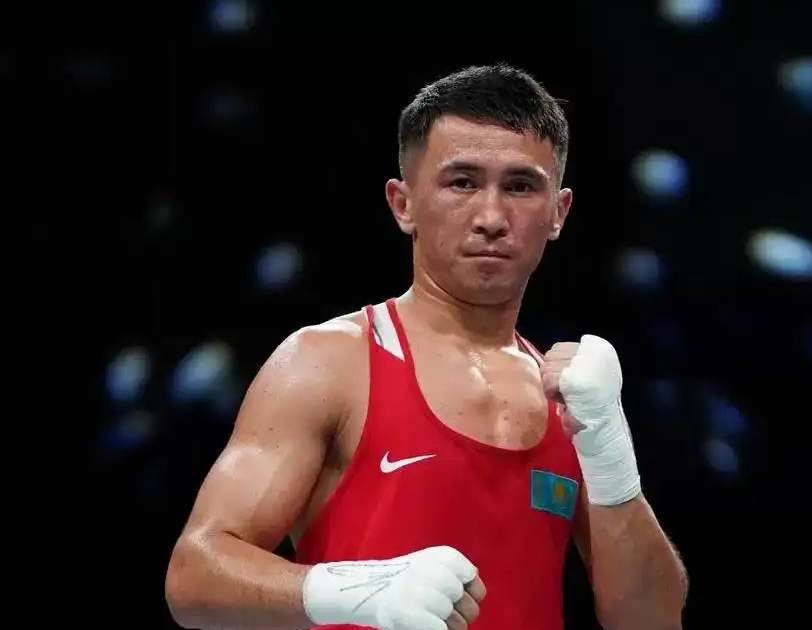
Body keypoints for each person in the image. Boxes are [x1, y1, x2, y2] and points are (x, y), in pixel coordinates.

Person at [164, 64, 688, 630]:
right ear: (403, 203)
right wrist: (356, 588)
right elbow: (194, 575)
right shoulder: (329, 363)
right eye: (462, 182)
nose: (492, 217)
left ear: (558, 213)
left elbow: (651, 620)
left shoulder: (572, 399)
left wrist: (609, 446)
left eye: (520, 186)